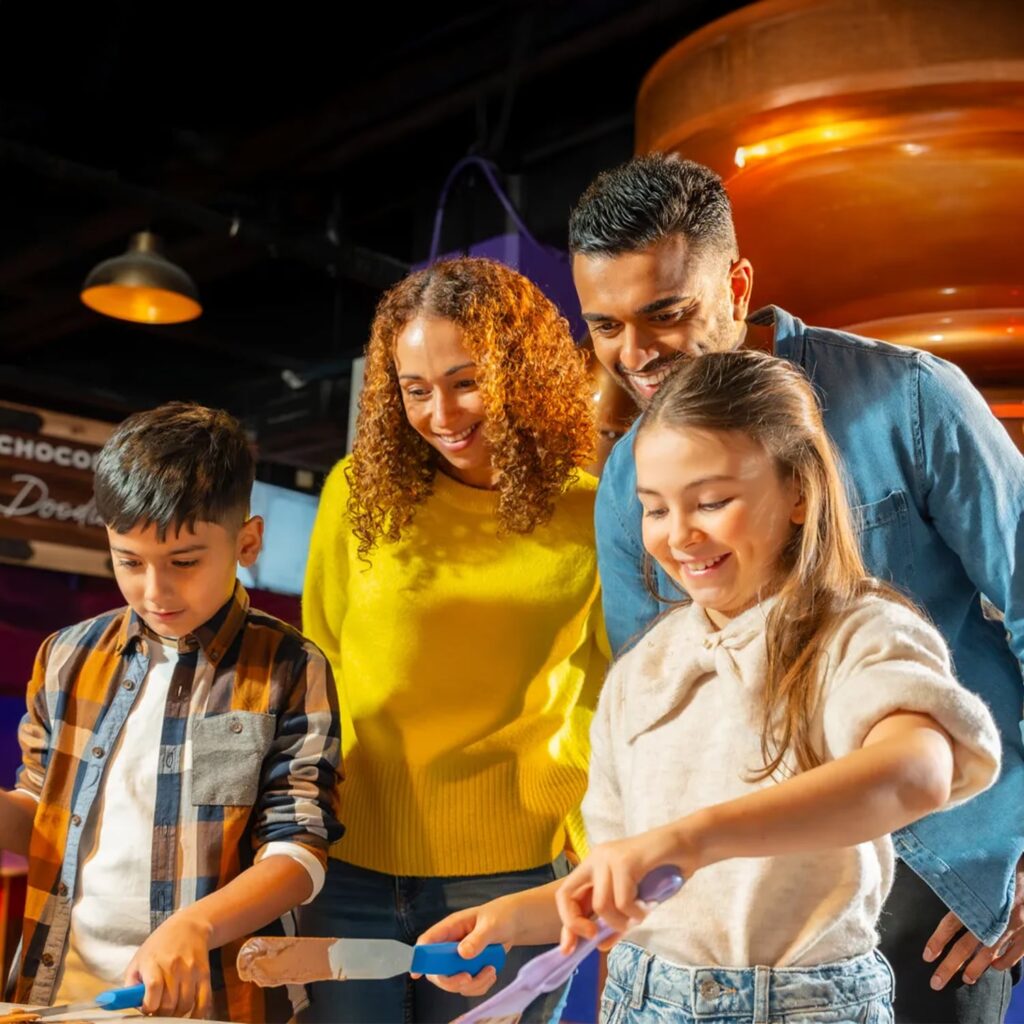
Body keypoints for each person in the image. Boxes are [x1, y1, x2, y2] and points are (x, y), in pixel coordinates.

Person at [569, 152, 1024, 1022]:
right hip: (757, 904)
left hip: (942, 881)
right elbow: (655, 712)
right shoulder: (629, 481)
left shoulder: (912, 400)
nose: (637, 354)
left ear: (737, 286)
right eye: (606, 326)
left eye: (666, 312)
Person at [418, 349, 1001, 1024]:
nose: (679, 535)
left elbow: (918, 775)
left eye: (713, 501)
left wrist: (693, 839)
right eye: (655, 509)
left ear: (799, 493)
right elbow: (624, 883)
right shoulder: (644, 669)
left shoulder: (857, 633)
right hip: (640, 998)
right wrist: (509, 921)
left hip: (802, 1006)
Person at [298, 256, 608, 1024]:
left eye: (467, 380)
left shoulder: (594, 514)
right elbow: (320, 661)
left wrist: (592, 841)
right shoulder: (355, 494)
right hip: (349, 866)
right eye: (414, 389)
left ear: (524, 371)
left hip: (511, 878)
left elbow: (610, 693)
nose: (441, 412)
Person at [0, 402, 343, 1021]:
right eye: (129, 562)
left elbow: (299, 855)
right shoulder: (66, 657)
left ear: (247, 541)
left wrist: (197, 925)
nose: (155, 591)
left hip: (217, 1000)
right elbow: (41, 811)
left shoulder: (290, 667)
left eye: (184, 562)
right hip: (63, 989)